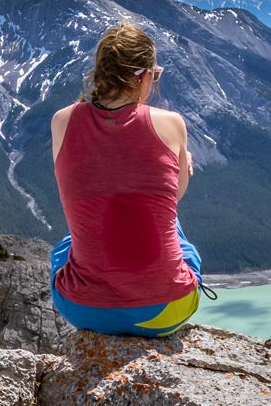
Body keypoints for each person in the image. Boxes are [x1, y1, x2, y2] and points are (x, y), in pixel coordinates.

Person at [48, 21, 209, 337]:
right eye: (155, 76)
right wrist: (180, 164)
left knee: (67, 243)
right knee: (174, 230)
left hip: (83, 309)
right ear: (146, 76)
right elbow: (168, 200)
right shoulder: (171, 124)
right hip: (166, 311)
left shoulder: (62, 121)